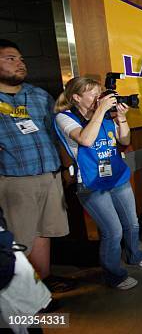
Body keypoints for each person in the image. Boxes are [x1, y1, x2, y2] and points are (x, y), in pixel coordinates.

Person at [54, 77, 142, 290]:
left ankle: (134, 255)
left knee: (132, 222)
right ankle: (113, 275)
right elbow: (86, 139)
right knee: (113, 230)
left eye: (99, 92)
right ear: (76, 97)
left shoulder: (106, 115)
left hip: (117, 176)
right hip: (91, 183)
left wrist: (122, 118)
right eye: (92, 93)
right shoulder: (64, 118)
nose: (99, 97)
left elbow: (124, 141)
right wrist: (101, 111)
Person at [0, 39, 75, 293]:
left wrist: (66, 169)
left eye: (21, 59)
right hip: (14, 180)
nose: (20, 63)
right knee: (19, 239)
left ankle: (43, 279)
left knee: (44, 231)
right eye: (11, 59)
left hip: (50, 174)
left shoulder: (39, 96)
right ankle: (25, 293)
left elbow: (57, 136)